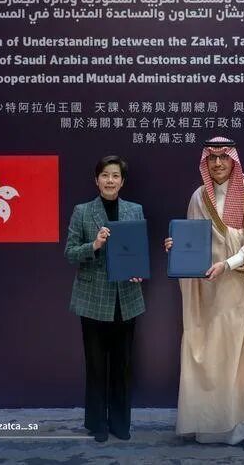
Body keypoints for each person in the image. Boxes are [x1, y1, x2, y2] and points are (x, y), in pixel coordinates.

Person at [164, 137, 244, 452]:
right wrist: (176, 248)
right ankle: (213, 427)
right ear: (205, 162)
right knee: (217, 358)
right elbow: (193, 242)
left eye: (223, 157)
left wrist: (229, 264)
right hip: (213, 291)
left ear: (233, 160)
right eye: (212, 158)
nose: (218, 163)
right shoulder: (199, 197)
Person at [65, 155, 144, 443]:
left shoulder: (134, 210)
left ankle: (120, 424)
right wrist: (95, 245)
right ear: (96, 180)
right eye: (105, 175)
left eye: (115, 176)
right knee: (96, 367)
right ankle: (97, 424)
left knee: (122, 366)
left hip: (126, 297)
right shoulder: (82, 211)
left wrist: (138, 271)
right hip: (92, 299)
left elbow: (138, 251)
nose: (110, 180)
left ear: (122, 182)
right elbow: (70, 253)